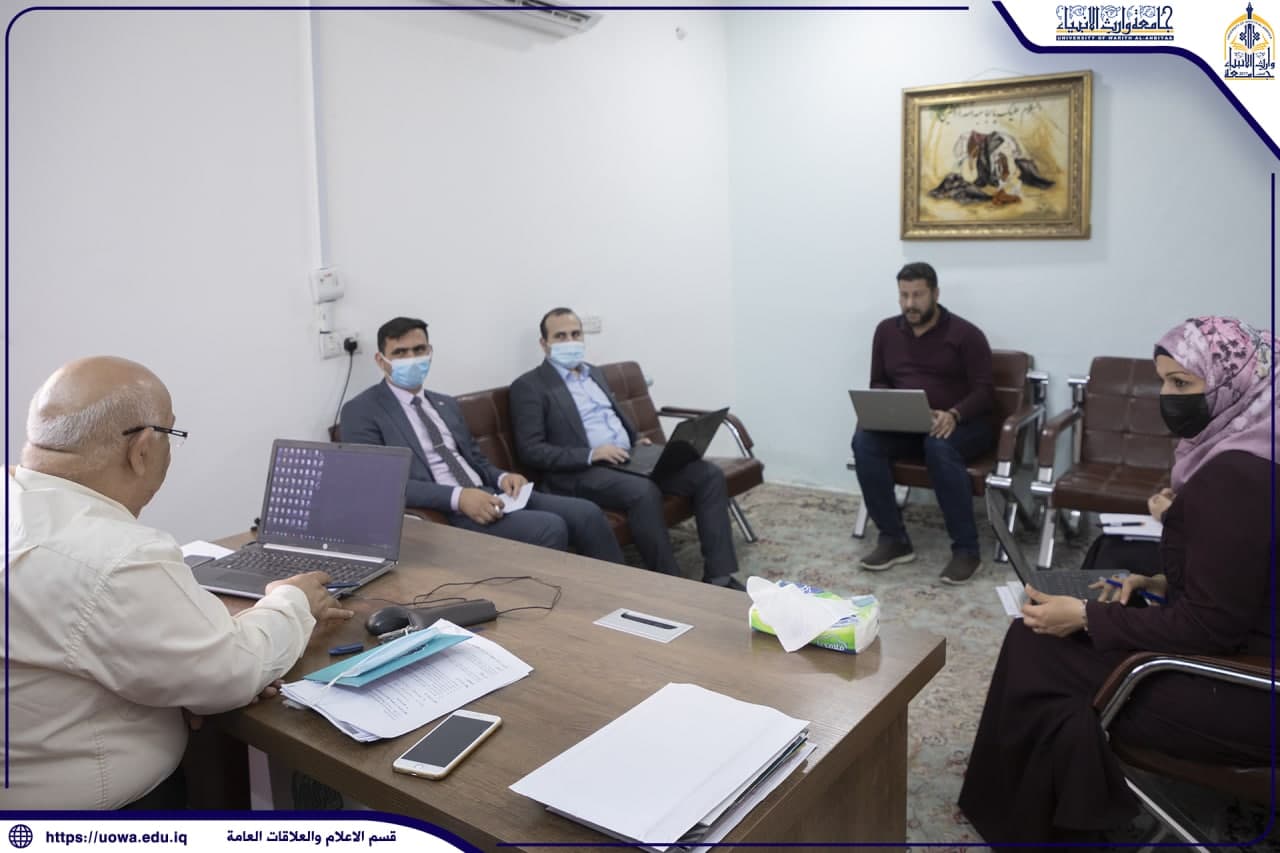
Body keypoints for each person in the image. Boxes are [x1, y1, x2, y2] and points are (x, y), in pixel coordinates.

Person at [958, 316, 1277, 847]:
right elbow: (1248, 580)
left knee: (1036, 644)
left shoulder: (1237, 476)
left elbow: (1210, 628)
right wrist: (1156, 581)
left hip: (1247, 692)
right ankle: (1070, 801)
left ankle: (1052, 825)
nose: (1167, 397)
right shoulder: (1259, 451)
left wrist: (1087, 616)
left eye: (1182, 383)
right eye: (1163, 381)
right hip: (1250, 658)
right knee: (1052, 632)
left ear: (1236, 381)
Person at [3, 357, 350, 810]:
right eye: (172, 433)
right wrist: (293, 600)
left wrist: (186, 678)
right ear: (142, 449)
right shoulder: (114, 555)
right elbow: (233, 671)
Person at [340, 317, 624, 564]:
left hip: (492, 493)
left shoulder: (445, 404)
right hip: (449, 512)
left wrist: (503, 477)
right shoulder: (361, 411)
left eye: (419, 350)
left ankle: (624, 595)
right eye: (400, 353)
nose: (412, 359)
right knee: (550, 527)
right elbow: (381, 483)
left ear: (430, 352)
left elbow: (475, 459)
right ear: (381, 360)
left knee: (587, 512)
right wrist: (458, 497)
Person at [509, 308, 743, 589]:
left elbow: (610, 417)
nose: (570, 341)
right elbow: (531, 450)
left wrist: (635, 440)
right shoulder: (529, 386)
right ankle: (672, 585)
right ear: (544, 343)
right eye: (560, 336)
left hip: (627, 457)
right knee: (643, 491)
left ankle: (719, 577)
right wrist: (591, 454)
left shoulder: (594, 373)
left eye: (575, 334)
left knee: (707, 474)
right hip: (581, 470)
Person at [851, 262, 994, 584]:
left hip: (964, 424)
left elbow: (985, 392)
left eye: (918, 295)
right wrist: (889, 407)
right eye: (904, 296)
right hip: (910, 422)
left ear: (935, 294)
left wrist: (954, 413)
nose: (910, 304)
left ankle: (966, 550)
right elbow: (879, 381)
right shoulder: (886, 331)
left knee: (938, 446)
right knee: (864, 442)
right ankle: (894, 539)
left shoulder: (966, 334)